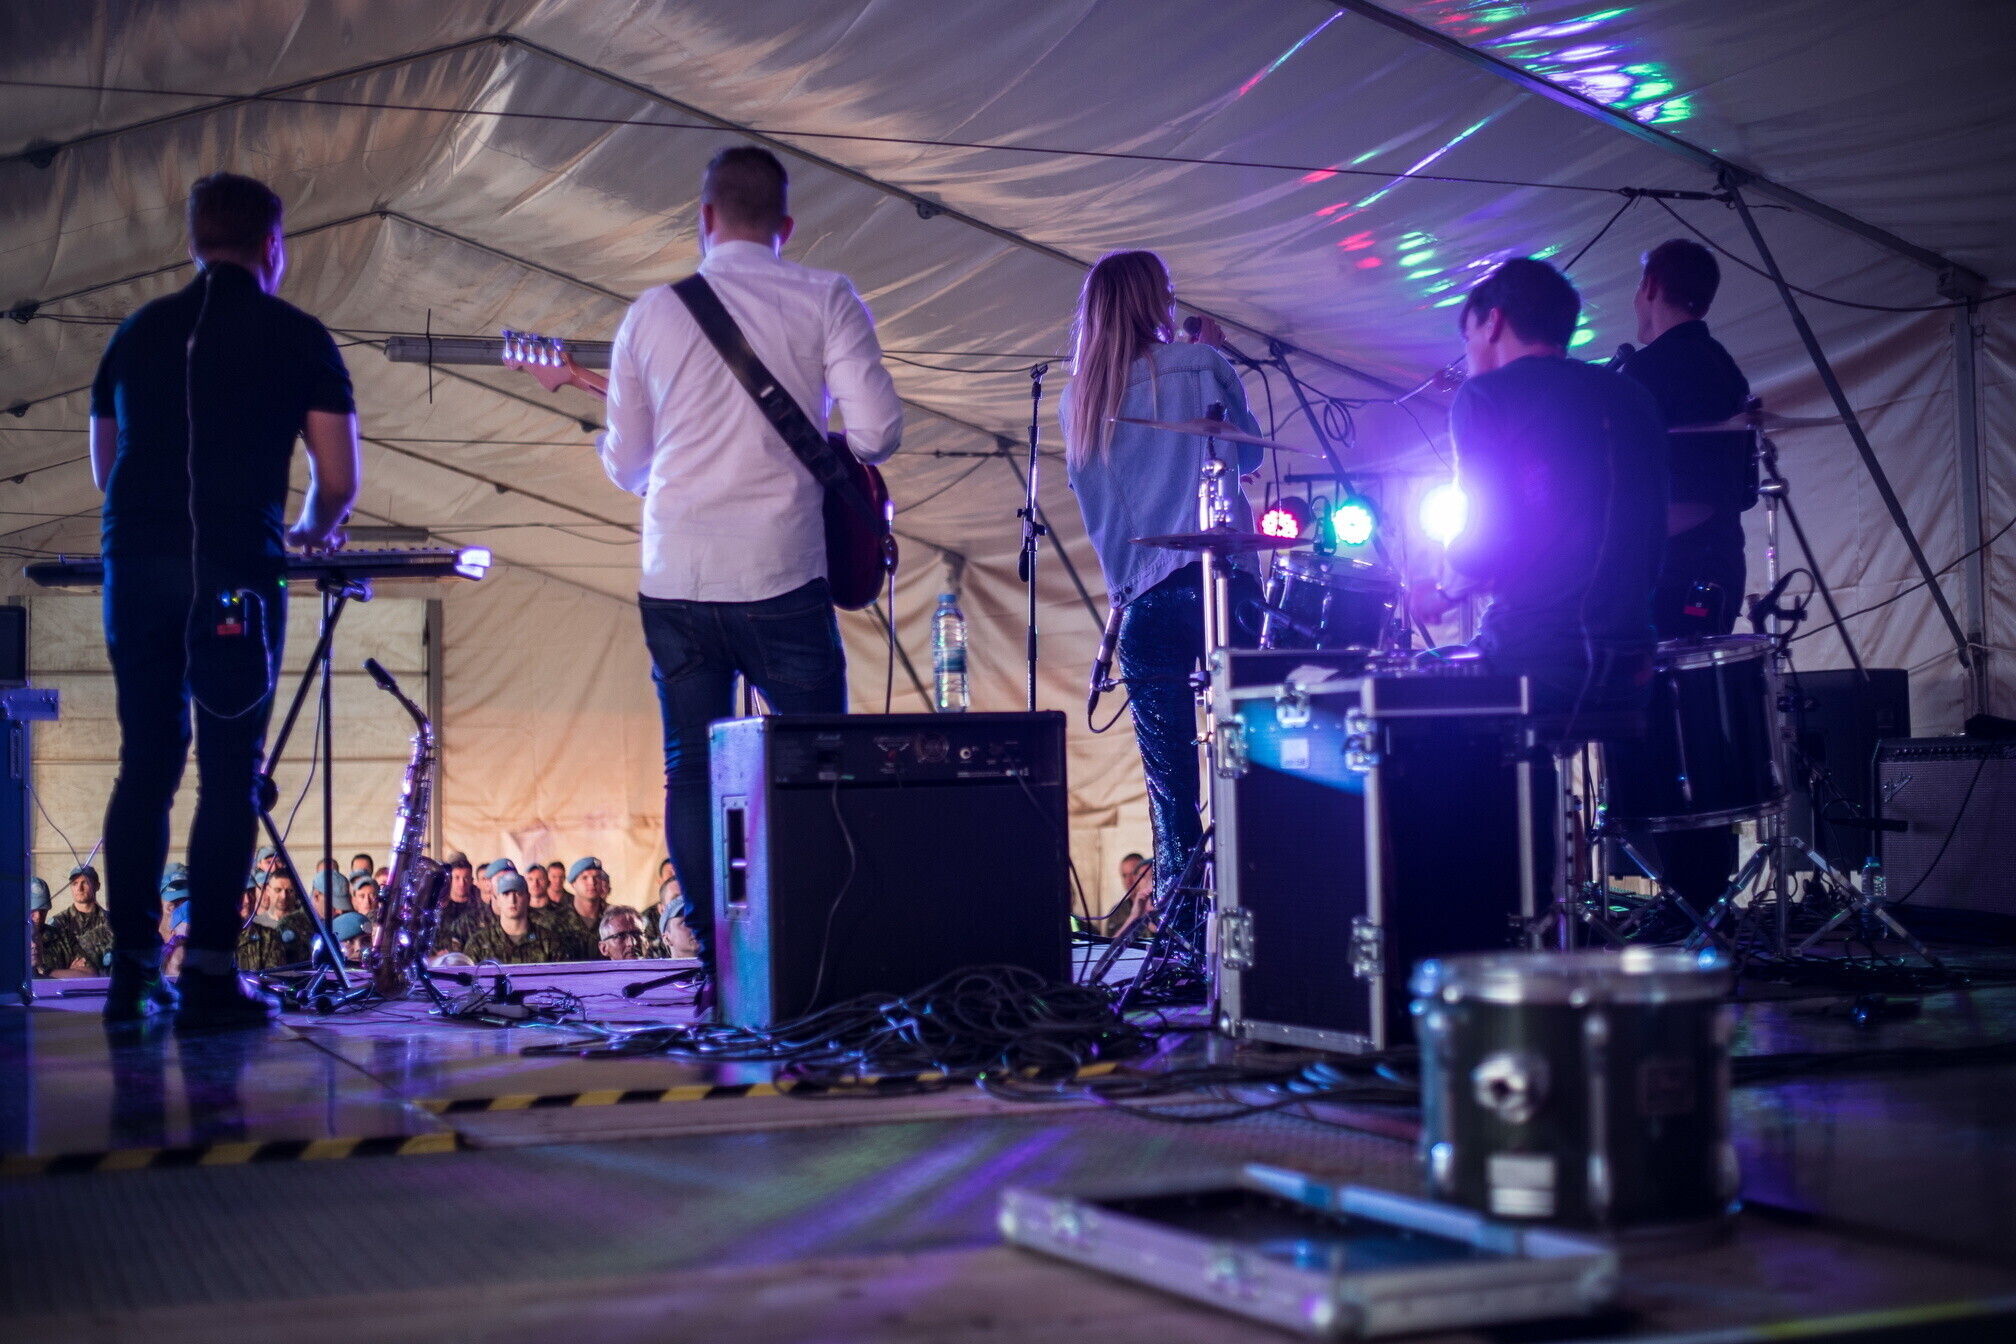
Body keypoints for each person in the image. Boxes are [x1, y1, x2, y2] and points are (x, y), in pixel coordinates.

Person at [510, 145, 903, 992]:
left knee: (690, 768)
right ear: (785, 226)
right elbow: (878, 435)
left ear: (705, 220)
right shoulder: (826, 296)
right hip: (781, 571)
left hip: (676, 578)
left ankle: (720, 961)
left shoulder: (651, 314)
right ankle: (822, 954)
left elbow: (629, 469)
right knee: (819, 760)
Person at [90, 171, 359, 1026]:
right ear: (272, 247)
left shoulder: (134, 334)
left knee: (145, 767)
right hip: (236, 573)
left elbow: (107, 469)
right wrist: (310, 530)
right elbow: (337, 479)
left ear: (193, 241)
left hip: (136, 568)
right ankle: (209, 975)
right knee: (229, 773)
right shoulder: (300, 337)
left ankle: (133, 976)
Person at [1060, 250, 1264, 949]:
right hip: (1222, 589)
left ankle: (1181, 941)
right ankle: (1262, 915)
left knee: (1171, 788)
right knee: (1252, 760)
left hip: (1142, 603)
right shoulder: (1199, 363)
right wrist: (1212, 356)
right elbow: (1249, 455)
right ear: (1157, 300)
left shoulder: (1079, 398)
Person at [1429, 258, 1667, 717]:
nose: (1469, 353)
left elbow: (1482, 542)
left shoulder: (1484, 396)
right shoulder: (1636, 395)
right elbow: (1651, 535)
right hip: (1633, 666)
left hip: (1537, 663)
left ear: (1494, 321)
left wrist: (1441, 592)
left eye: (1468, 337)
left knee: (1399, 696)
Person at [1611, 239, 1757, 909]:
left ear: (1651, 287)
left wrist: (1614, 540)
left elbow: (1697, 496)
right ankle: (1696, 900)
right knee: (1694, 729)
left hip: (1679, 576)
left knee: (1674, 734)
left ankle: (1693, 901)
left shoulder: (1665, 369)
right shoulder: (1717, 364)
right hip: (1711, 569)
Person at [461, 873, 565, 965]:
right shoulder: (479, 943)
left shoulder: (549, 942)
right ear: (497, 899)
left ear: (528, 898)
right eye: (506, 894)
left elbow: (564, 978)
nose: (512, 900)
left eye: (518, 894)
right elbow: (468, 979)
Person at [44, 866, 114, 977]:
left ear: (97, 886)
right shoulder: (59, 923)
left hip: (107, 983)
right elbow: (51, 963)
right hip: (72, 985)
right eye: (74, 883)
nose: (79, 888)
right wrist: (72, 973)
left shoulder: (111, 921)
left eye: (85, 882)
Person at [433, 851, 485, 951]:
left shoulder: (480, 907)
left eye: (466, 877)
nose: (462, 883)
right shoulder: (439, 907)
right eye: (457, 878)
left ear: (472, 880)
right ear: (449, 880)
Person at [27, 878, 55, 976]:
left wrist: (45, 973)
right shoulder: (9, 939)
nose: (38, 916)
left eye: (43, 910)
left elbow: (89, 973)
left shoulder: (62, 935)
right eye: (33, 910)